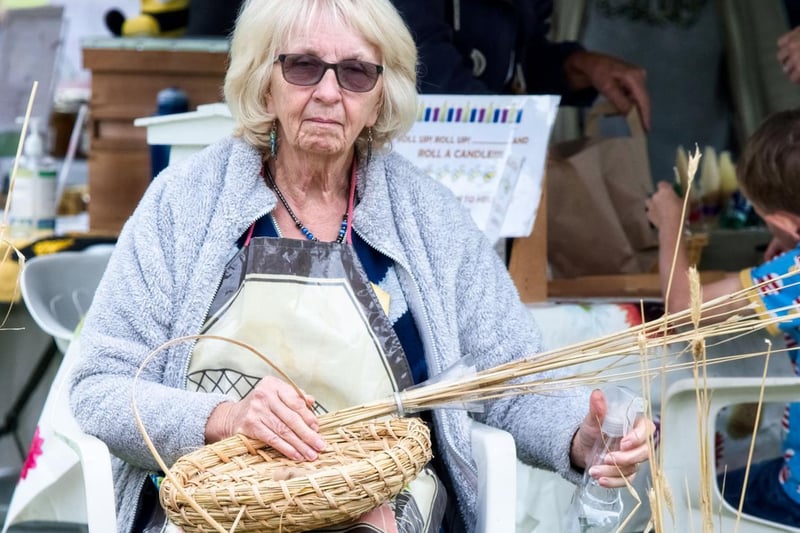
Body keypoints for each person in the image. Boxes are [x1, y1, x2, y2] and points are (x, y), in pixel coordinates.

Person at [69, 0, 653, 531]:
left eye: (355, 73)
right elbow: (100, 386)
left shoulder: (429, 216)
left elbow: (510, 378)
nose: (328, 92)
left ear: (381, 96)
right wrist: (224, 417)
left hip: (385, 507)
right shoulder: (185, 203)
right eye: (301, 66)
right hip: (223, 507)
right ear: (262, 82)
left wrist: (583, 435)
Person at [646, 109, 800, 527]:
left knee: (676, 513)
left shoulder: (794, 275)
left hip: (796, 496)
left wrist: (671, 225)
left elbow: (683, 310)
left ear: (787, 223)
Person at [390, 0, 651, 129]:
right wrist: (514, 135)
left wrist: (577, 67)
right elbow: (424, 66)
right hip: (409, 171)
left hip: (485, 180)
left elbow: (517, 67)